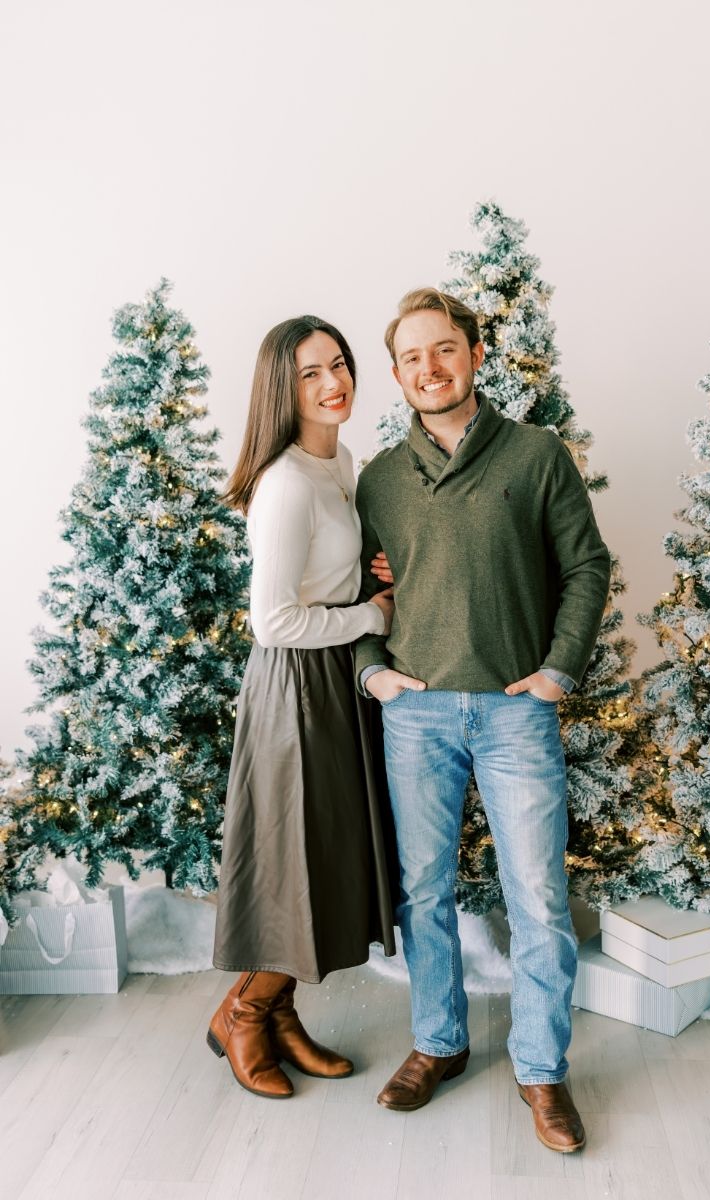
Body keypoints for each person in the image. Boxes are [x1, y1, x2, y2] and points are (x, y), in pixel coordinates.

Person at [354, 288, 610, 1152]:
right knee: (422, 893)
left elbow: (586, 563)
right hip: (415, 713)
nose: (430, 368)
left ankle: (541, 1072)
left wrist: (557, 671)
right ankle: (438, 1044)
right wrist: (371, 673)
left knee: (537, 898)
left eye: (445, 349)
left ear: (474, 354)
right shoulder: (380, 479)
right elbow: (355, 588)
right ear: (396, 375)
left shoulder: (536, 456)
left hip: (513, 713)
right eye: (412, 358)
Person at [211, 316, 398, 1098]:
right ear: (283, 392)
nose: (334, 383)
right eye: (311, 374)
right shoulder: (284, 483)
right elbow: (273, 620)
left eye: (340, 364)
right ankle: (242, 1015)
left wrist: (368, 574)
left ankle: (281, 1013)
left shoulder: (339, 460)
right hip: (295, 688)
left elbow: (326, 574)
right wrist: (371, 617)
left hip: (334, 682)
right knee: (296, 863)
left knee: (322, 859)